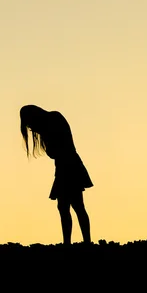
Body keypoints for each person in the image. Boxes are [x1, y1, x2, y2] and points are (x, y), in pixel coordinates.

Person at [20, 104, 93, 245]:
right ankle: (80, 242)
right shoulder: (54, 119)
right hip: (67, 166)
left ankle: (78, 242)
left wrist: (44, 133)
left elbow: (53, 152)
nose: (30, 128)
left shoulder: (52, 120)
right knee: (70, 206)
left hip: (68, 167)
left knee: (73, 206)